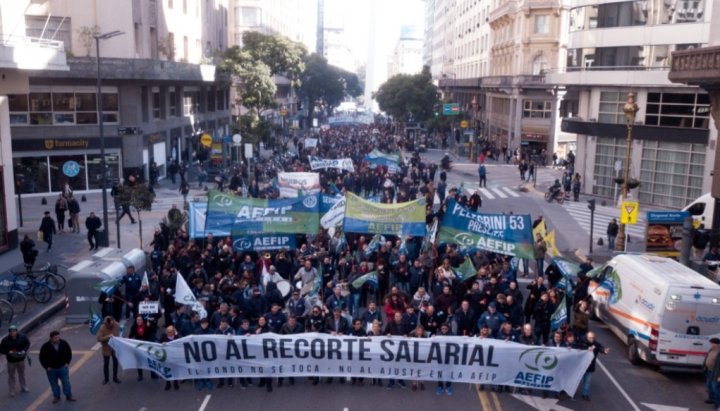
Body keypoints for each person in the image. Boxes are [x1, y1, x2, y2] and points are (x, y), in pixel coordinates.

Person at [39, 330, 76, 404]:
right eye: (55, 338)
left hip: (62, 367)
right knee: (54, 383)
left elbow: (69, 353)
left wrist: (67, 363)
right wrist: (46, 367)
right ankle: (56, 396)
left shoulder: (64, 343)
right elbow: (42, 358)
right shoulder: (46, 346)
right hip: (51, 369)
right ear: (51, 338)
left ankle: (68, 395)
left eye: (58, 337)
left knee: (66, 382)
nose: (57, 339)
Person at [577, 331, 609, 401]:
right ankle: (569, 391)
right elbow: (577, 349)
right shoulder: (582, 343)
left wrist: (604, 351)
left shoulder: (596, 344)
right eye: (590, 337)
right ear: (587, 337)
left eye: (593, 338)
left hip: (589, 366)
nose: (592, 339)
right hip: (580, 366)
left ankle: (585, 394)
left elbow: (600, 348)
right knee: (575, 379)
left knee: (587, 382)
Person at [0, 325, 30, 397]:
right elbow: (1, 349)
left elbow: (27, 343)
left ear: (17, 331)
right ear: (9, 332)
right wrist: (8, 352)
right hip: (11, 361)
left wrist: (24, 350)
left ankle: (23, 387)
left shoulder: (23, 337)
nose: (12, 333)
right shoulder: (5, 340)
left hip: (21, 359)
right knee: (11, 376)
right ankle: (12, 390)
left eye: (14, 331)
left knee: (22, 374)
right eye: (11, 331)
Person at [96, 316, 121, 384]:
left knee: (115, 363)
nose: (111, 325)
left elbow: (119, 334)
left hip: (114, 347)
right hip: (106, 348)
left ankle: (115, 377)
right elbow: (98, 339)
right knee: (106, 363)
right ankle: (106, 379)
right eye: (109, 325)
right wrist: (108, 337)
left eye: (112, 324)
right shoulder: (102, 327)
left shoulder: (117, 325)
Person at [704, 337, 720, 406]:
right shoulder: (711, 350)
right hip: (709, 371)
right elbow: (707, 358)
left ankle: (718, 404)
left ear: (716, 344)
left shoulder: (719, 352)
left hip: (716, 373)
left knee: (715, 388)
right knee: (709, 386)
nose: (710, 344)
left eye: (712, 343)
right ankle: (712, 399)